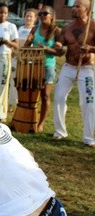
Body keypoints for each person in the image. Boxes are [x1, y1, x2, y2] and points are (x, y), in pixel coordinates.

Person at [53, 0, 95, 147]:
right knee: (58, 97)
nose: (74, 8)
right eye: (73, 6)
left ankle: (89, 138)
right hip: (68, 67)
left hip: (87, 68)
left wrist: (90, 48)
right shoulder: (67, 28)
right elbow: (60, 49)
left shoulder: (93, 26)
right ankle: (60, 131)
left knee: (88, 103)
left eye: (78, 6)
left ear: (87, 9)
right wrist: (58, 46)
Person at [24, 6, 60, 133]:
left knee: (45, 95)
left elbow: (59, 52)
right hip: (34, 65)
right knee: (33, 94)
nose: (42, 16)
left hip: (48, 65)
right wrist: (28, 43)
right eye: (40, 14)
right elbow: (25, 47)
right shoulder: (35, 29)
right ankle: (30, 119)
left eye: (45, 13)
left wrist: (46, 49)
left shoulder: (56, 31)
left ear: (51, 15)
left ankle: (41, 123)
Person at [8, 8, 37, 112]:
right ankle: (11, 103)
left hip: (28, 60)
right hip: (16, 58)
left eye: (31, 16)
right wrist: (13, 52)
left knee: (25, 83)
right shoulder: (19, 29)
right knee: (13, 81)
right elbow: (15, 43)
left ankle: (24, 104)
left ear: (35, 19)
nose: (28, 18)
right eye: (27, 16)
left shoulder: (35, 30)